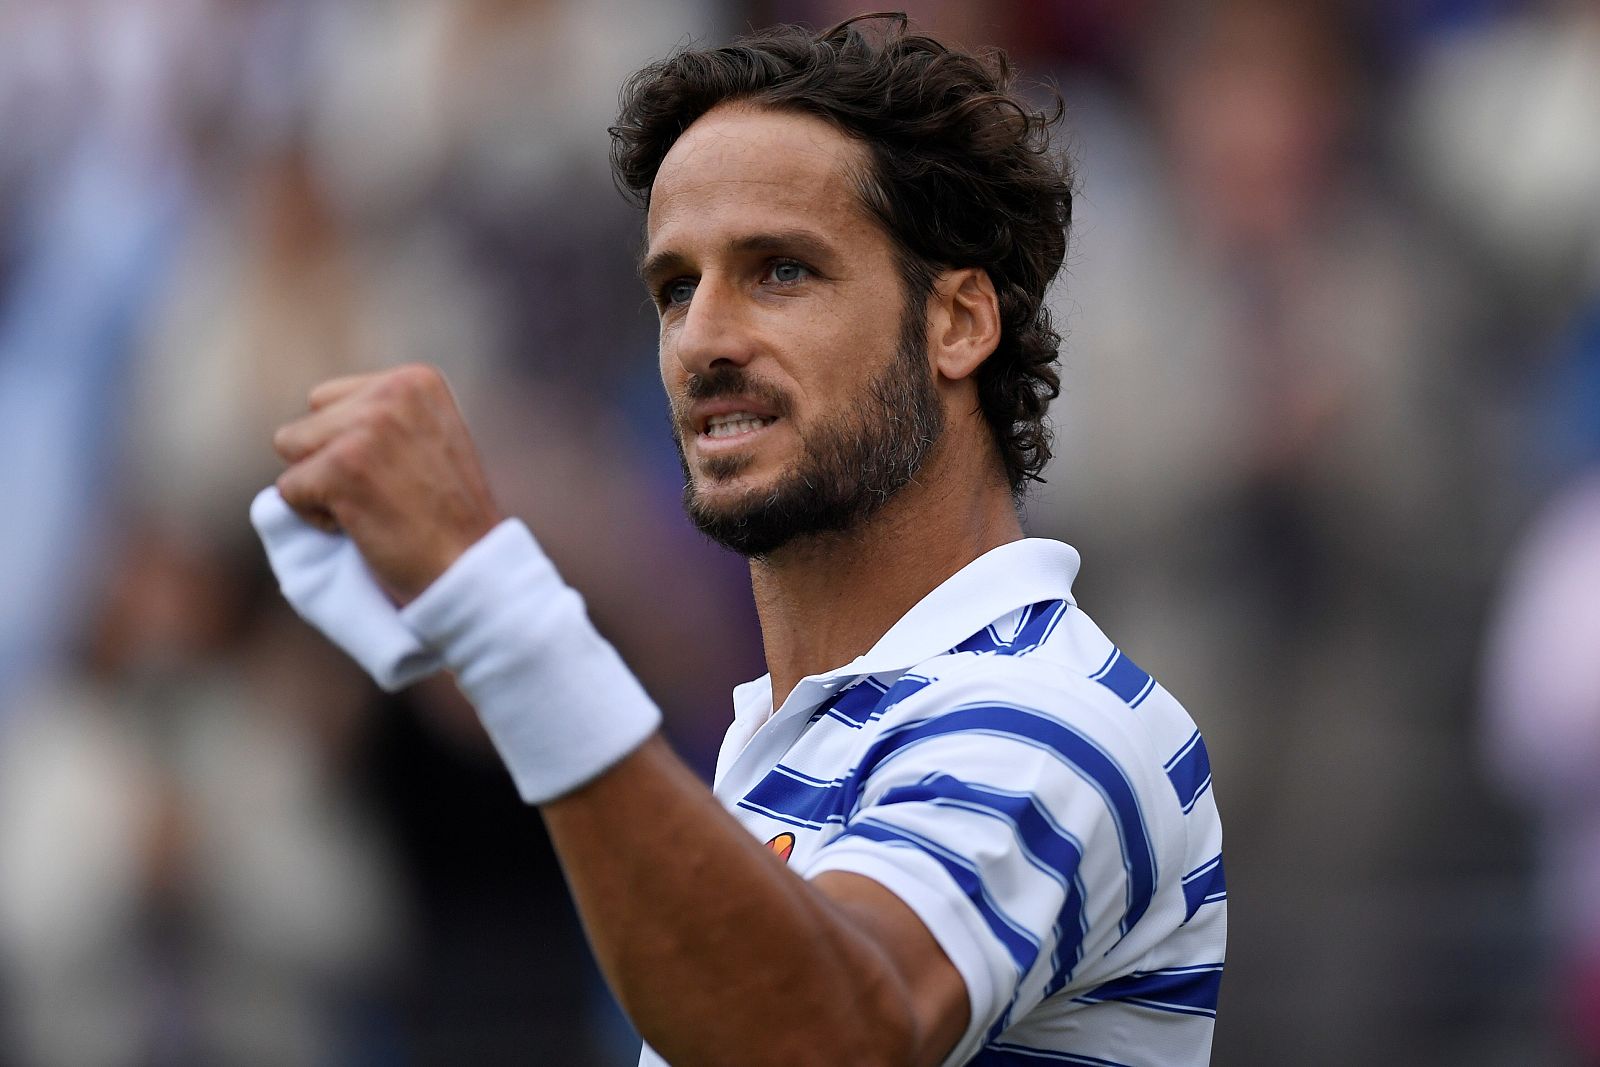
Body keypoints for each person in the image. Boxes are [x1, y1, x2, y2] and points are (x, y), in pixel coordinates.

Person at [252, 15, 1226, 1066]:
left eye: (781, 271)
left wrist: (496, 609)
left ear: (957, 322)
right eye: (677, 287)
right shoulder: (787, 743)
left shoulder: (1046, 715)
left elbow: (822, 1036)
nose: (702, 339)